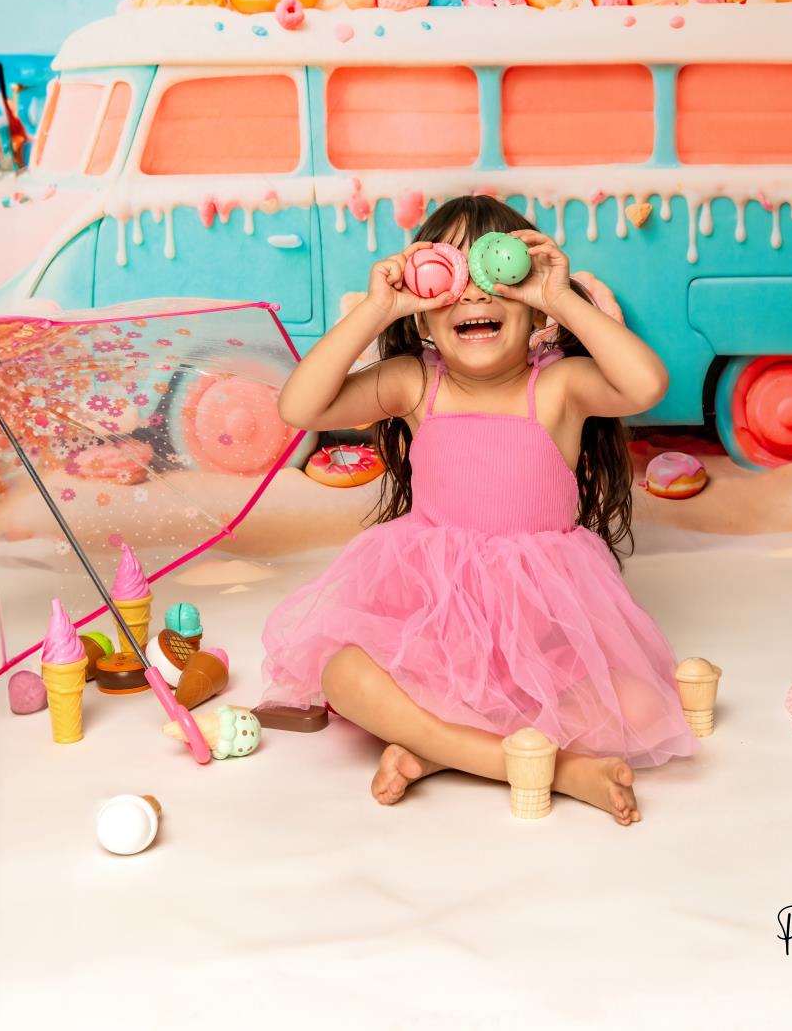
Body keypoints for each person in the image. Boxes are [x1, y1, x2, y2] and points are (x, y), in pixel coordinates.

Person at [261, 196, 697, 825]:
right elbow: (299, 408)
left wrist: (562, 295)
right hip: (438, 629)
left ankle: (436, 752)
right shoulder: (415, 383)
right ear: (424, 315)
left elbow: (647, 384)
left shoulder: (557, 386)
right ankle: (561, 771)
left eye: (498, 274)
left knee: (645, 708)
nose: (472, 294)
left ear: (533, 310)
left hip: (542, 630)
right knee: (344, 676)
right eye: (449, 277)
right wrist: (379, 310)